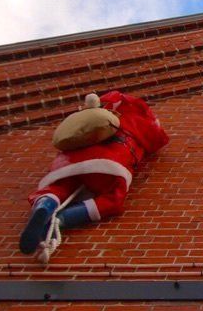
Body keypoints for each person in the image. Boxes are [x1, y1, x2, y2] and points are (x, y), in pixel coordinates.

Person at [20, 91, 169, 256]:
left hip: (69, 161)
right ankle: (62, 218)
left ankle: (44, 206)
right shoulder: (135, 117)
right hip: (109, 162)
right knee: (113, 197)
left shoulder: (90, 116)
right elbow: (156, 139)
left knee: (58, 187)